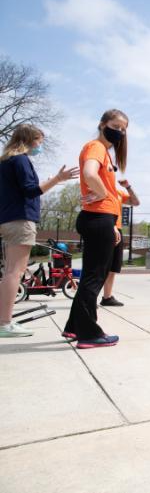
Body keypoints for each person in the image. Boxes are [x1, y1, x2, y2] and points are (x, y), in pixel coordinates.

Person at [0, 124, 79, 337]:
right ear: (29, 139)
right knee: (15, 272)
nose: (39, 146)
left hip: (8, 219)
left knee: (10, 271)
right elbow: (31, 190)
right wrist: (57, 179)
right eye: (39, 141)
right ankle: (4, 323)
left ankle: (3, 321)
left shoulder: (6, 161)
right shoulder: (21, 160)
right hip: (20, 220)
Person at [62, 109, 129, 348]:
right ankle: (89, 334)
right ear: (102, 125)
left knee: (92, 276)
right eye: (116, 125)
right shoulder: (96, 147)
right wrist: (102, 193)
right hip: (98, 217)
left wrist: (111, 223)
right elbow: (89, 173)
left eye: (124, 129)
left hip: (102, 219)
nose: (120, 131)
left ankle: (73, 327)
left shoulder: (106, 153)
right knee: (94, 278)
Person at [100, 179, 140, 307]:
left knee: (113, 267)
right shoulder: (99, 188)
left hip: (117, 229)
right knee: (100, 266)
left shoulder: (118, 192)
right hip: (105, 227)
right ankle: (89, 298)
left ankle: (107, 297)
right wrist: (111, 225)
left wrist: (128, 186)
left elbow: (136, 202)